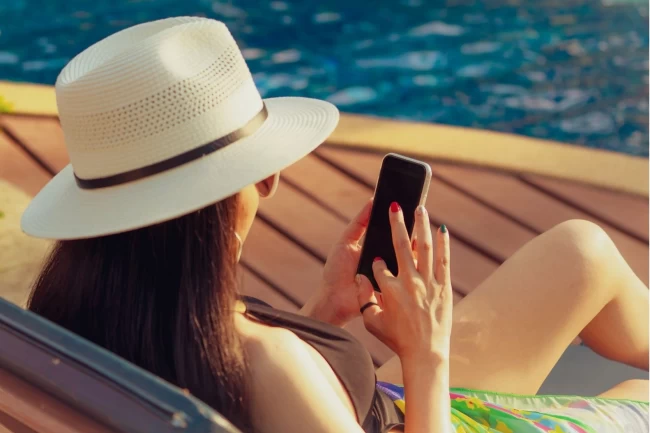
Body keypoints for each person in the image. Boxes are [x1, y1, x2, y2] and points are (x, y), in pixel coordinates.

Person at [23, 17, 648, 433]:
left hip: (383, 408)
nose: (270, 182)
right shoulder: (273, 365)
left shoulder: (72, 320)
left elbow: (241, 387)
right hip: (419, 413)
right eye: (256, 170)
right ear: (217, 204)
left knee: (581, 253)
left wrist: (321, 312)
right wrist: (425, 354)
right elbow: (272, 384)